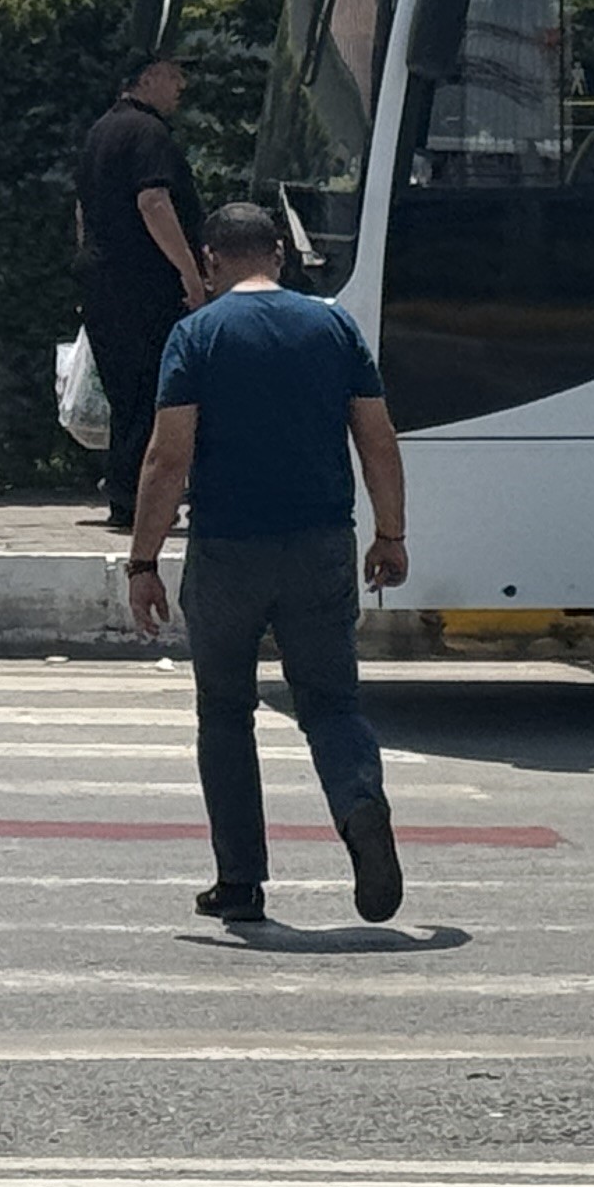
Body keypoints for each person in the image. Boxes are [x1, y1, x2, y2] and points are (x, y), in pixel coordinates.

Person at [121, 199, 410, 928]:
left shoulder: (197, 335)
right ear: (279, 253)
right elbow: (376, 436)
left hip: (228, 552)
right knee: (333, 705)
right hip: (321, 546)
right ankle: (358, 803)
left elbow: (167, 457)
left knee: (225, 713)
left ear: (212, 261)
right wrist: (391, 534)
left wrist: (143, 561)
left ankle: (241, 883)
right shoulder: (333, 325)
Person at [72, 55, 204, 527]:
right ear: (146, 79)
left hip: (103, 279)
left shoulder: (99, 133)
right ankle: (148, 501)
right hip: (145, 284)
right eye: (172, 76)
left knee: (126, 395)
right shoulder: (149, 134)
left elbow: (83, 213)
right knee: (158, 391)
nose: (181, 85)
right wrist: (190, 275)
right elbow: (153, 200)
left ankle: (127, 497)